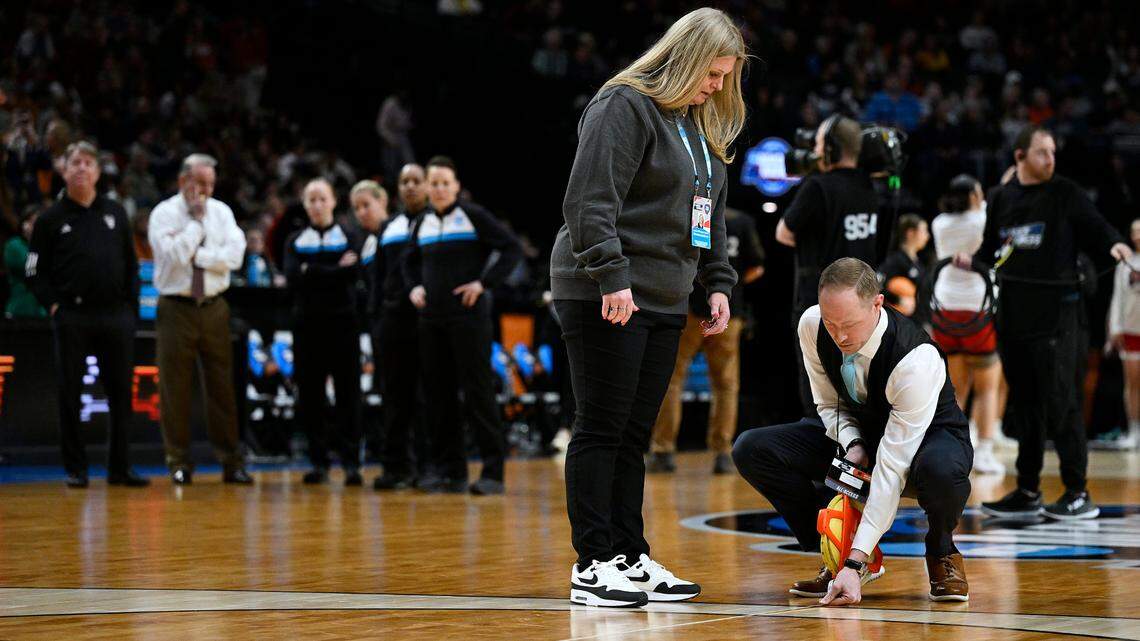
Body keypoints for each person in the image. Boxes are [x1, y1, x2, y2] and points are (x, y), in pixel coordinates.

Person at [550, 7, 743, 608]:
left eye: (724, 78)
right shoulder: (623, 106)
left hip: (663, 294)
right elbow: (589, 200)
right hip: (604, 288)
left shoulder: (698, 127)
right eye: (712, 74)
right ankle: (593, 563)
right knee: (601, 425)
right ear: (684, 59)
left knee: (634, 432)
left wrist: (716, 281)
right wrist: (611, 275)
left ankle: (628, 556)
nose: (717, 87)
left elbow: (704, 218)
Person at [733, 258, 973, 606]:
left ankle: (941, 552)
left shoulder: (916, 360)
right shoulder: (812, 325)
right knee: (753, 449)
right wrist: (854, 444)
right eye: (831, 324)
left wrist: (854, 560)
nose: (840, 336)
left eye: (849, 324)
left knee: (942, 473)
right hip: (861, 431)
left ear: (878, 303)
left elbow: (890, 470)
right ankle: (837, 552)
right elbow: (828, 406)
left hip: (927, 438)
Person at [964, 126, 1131, 520]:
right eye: (1042, 153)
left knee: (1063, 404)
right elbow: (992, 249)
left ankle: (1077, 491)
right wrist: (970, 261)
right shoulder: (1002, 197)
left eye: (1052, 152)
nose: (1051, 159)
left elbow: (1097, 228)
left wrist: (1114, 244)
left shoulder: (1065, 193)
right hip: (1015, 317)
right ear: (1020, 157)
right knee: (1026, 407)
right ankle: (1027, 490)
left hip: (1060, 319)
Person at [26, 141, 148, 488]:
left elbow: (131, 264)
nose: (81, 168)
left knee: (121, 393)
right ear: (63, 170)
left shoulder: (116, 212)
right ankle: (76, 469)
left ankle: (120, 468)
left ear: (97, 172)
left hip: (115, 318)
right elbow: (33, 270)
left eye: (87, 163)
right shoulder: (49, 219)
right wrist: (53, 305)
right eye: (74, 162)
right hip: (73, 318)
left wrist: (131, 308)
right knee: (70, 393)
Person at [403, 156, 522, 495]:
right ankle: (450, 471)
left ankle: (492, 472)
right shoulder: (421, 223)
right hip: (431, 321)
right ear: (427, 188)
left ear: (456, 187)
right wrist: (414, 287)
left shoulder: (473, 216)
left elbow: (511, 249)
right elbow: (408, 264)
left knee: (478, 393)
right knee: (438, 397)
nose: (439, 188)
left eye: (445, 183)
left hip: (469, 320)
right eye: (434, 183)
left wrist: (482, 285)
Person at [148, 153, 253, 485]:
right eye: (199, 183)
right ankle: (178, 462)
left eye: (210, 183)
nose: (206, 190)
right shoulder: (163, 214)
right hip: (175, 307)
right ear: (183, 181)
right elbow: (176, 257)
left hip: (214, 307)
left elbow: (235, 257)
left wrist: (201, 255)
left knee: (222, 388)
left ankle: (231, 462)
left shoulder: (222, 212)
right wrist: (194, 224)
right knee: (174, 388)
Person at [775, 114, 881, 415]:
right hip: (863, 301)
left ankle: (820, 452)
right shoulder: (869, 187)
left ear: (831, 149)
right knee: (858, 384)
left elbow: (783, 233)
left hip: (821, 303)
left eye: (819, 143)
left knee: (819, 386)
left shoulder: (817, 187)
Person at [647, 207, 765, 475]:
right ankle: (722, 453)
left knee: (672, 380)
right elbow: (757, 267)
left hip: (690, 308)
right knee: (725, 386)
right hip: (728, 310)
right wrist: (730, 285)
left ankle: (663, 451)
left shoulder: (694, 215)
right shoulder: (742, 221)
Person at [284, 178, 367, 486]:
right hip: (307, 327)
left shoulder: (351, 234)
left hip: (344, 325)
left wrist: (312, 272)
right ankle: (318, 463)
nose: (317, 205)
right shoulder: (294, 240)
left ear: (333, 201)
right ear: (305, 205)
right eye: (311, 200)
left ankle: (351, 464)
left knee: (349, 395)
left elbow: (354, 272)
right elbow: (293, 276)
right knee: (311, 397)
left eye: (322, 199)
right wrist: (336, 271)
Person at [930, 175, 1004, 474]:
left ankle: (954, 451)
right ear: (975, 195)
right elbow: (993, 210)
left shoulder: (939, 223)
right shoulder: (981, 220)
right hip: (977, 309)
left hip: (945, 309)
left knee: (957, 387)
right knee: (988, 387)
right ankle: (984, 453)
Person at [368, 164, 427, 490]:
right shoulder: (389, 227)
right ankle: (395, 467)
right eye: (403, 181)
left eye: (415, 181)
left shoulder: (433, 222)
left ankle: (425, 467)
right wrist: (376, 317)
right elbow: (377, 277)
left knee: (423, 397)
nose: (409, 187)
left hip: (422, 319)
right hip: (391, 321)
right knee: (394, 396)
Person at [1105, 218, 1140, 449]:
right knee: (1133, 383)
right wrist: (1114, 329)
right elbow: (1117, 297)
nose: (1137, 236)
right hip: (1130, 330)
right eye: (1134, 231)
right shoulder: (1125, 263)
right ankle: (1134, 431)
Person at [878, 214, 929, 319]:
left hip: (918, 322)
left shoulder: (919, 263)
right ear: (910, 233)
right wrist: (897, 299)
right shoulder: (895, 261)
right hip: (899, 323)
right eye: (924, 231)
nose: (927, 236)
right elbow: (875, 284)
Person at [6, 206, 45, 318]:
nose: (35, 226)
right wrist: (35, 241)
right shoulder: (13, 245)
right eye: (32, 222)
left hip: (42, 312)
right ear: (24, 225)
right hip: (20, 311)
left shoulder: (47, 246)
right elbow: (30, 269)